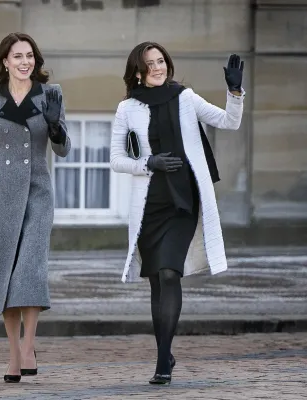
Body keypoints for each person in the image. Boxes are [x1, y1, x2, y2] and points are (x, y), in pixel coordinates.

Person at [110, 41, 245, 385]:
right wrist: (148, 162)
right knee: (157, 281)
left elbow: (229, 122)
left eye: (161, 61)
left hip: (183, 201)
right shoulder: (127, 108)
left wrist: (234, 91)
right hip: (150, 206)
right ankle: (165, 352)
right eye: (150, 63)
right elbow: (116, 160)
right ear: (137, 71)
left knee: (170, 273)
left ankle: (162, 363)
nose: (157, 67)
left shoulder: (185, 98)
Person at [0, 32, 71, 383]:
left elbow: (63, 149)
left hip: (39, 192)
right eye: (18, 56)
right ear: (5, 61)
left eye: (30, 56)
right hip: (3, 194)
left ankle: (28, 345)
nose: (25, 62)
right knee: (6, 277)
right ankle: (13, 355)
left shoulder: (50, 94)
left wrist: (55, 126)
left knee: (30, 269)